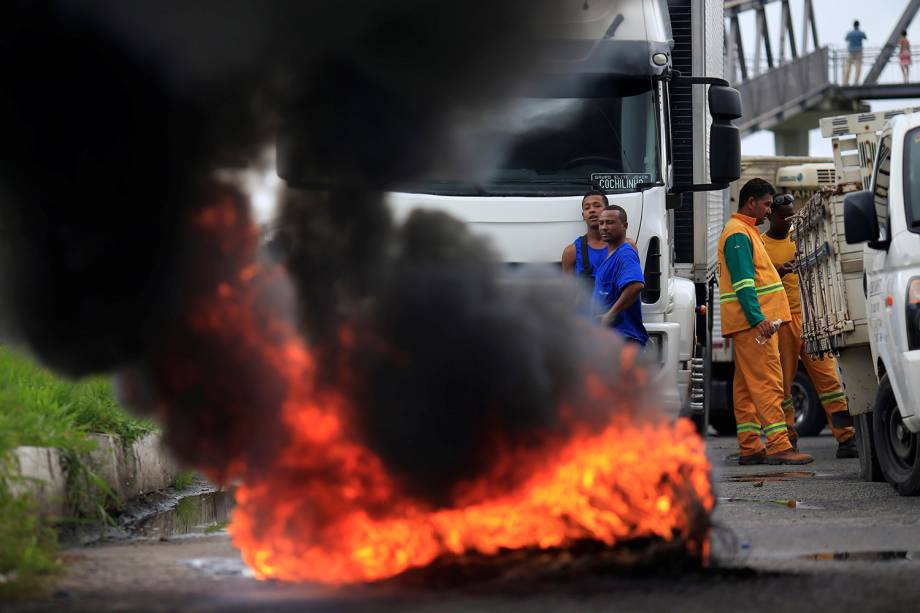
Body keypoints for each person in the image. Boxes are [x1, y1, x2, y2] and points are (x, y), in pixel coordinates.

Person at [718, 178, 813, 465]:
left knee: (746, 387)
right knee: (768, 382)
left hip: (750, 324)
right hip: (756, 325)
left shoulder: (744, 231)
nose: (770, 211)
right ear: (751, 202)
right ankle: (779, 445)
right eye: (767, 204)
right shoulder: (738, 233)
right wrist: (758, 319)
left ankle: (750, 447)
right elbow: (744, 283)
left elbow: (753, 278)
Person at [762, 195, 858, 459]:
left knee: (829, 380)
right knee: (783, 384)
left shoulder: (801, 238)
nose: (788, 221)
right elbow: (759, 281)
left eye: (791, 216)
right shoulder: (761, 245)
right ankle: (787, 438)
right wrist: (780, 271)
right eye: (783, 216)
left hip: (810, 318)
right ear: (770, 216)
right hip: (782, 321)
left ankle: (846, 437)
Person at [592, 205, 648, 346]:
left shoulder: (625, 254)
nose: (604, 227)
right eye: (601, 223)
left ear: (625, 226)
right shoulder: (612, 254)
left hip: (623, 339)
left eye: (610, 222)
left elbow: (636, 285)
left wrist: (610, 314)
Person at [562, 190, 610, 289]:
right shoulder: (571, 252)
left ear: (607, 211)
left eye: (597, 206)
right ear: (583, 215)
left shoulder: (625, 246)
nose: (592, 210)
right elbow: (567, 292)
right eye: (587, 208)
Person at [844, 20, 867, 86]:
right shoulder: (861, 33)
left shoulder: (850, 33)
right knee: (858, 68)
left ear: (853, 25)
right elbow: (865, 37)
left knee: (848, 67)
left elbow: (846, 39)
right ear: (858, 25)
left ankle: (846, 82)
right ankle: (856, 82)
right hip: (858, 52)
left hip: (850, 52)